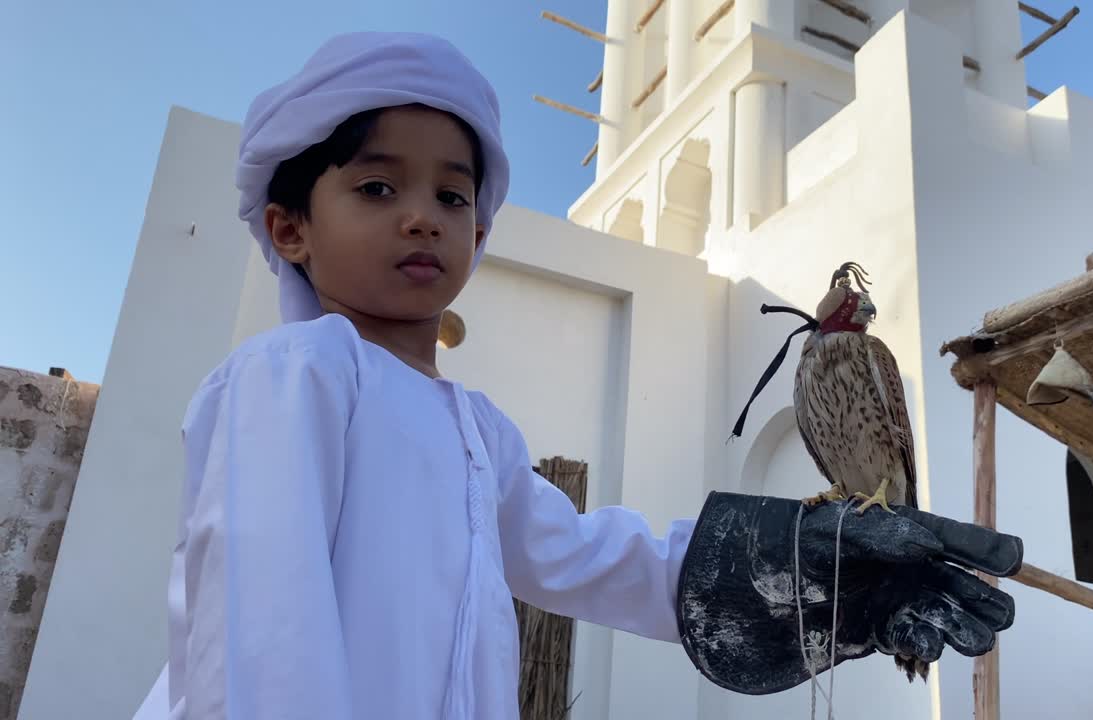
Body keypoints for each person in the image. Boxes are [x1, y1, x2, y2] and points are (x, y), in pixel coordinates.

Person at [134, 31, 1023, 720]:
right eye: (376, 189)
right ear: (290, 229)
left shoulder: (476, 431)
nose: (421, 219)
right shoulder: (293, 377)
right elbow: (260, 634)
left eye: (451, 196)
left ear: (479, 236)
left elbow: (592, 559)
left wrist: (818, 569)